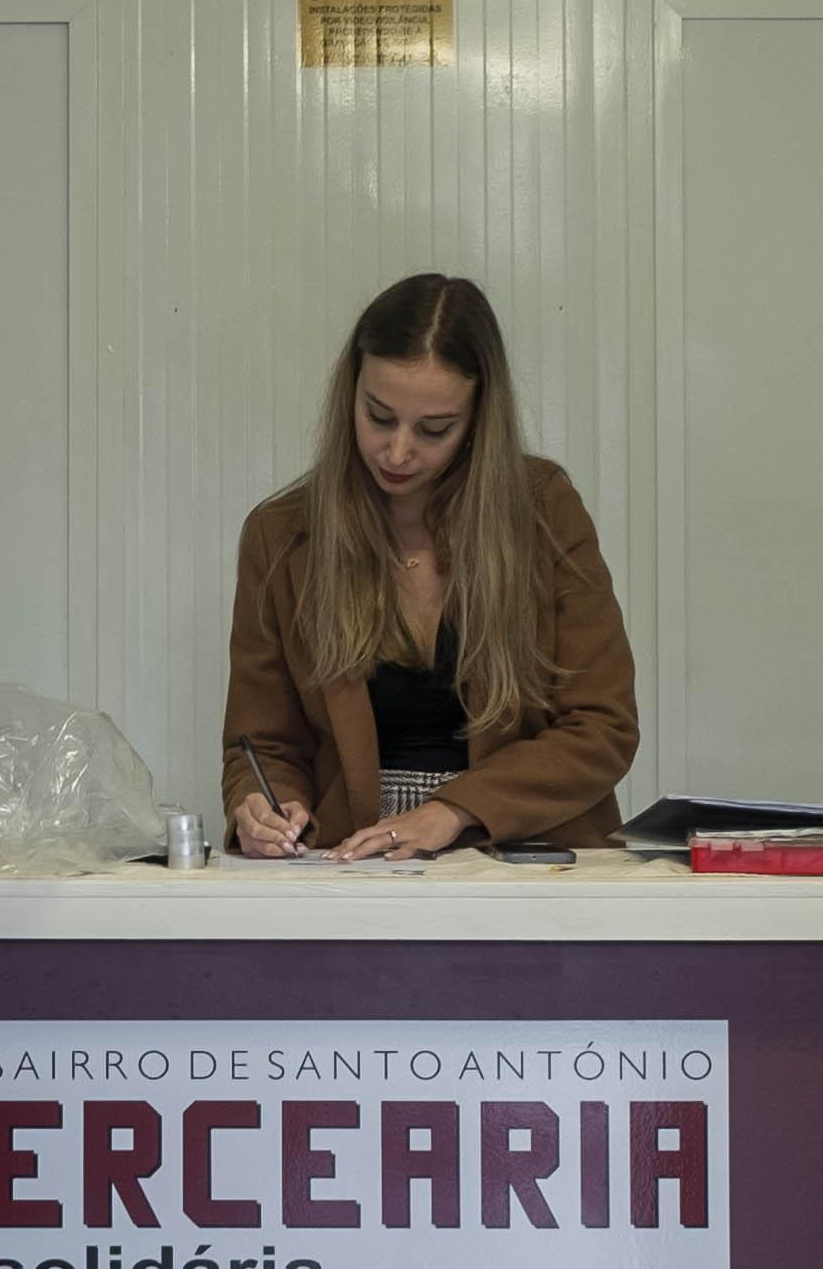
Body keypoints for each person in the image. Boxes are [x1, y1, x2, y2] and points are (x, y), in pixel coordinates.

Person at [223, 272, 639, 860]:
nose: (397, 452)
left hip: (527, 857)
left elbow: (602, 726)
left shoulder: (543, 511)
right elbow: (260, 744)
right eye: (378, 416)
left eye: (434, 430)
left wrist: (452, 811)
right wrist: (267, 807)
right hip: (350, 865)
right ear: (351, 395)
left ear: (478, 422)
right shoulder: (281, 535)